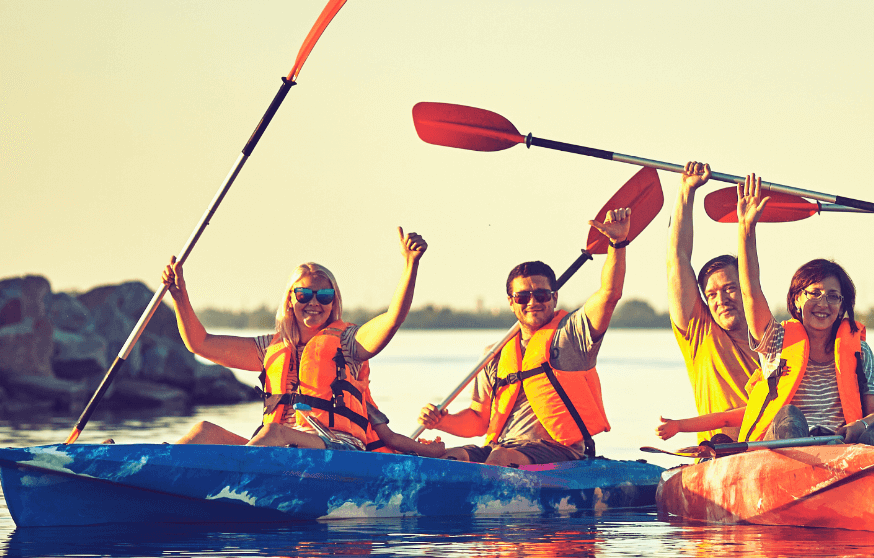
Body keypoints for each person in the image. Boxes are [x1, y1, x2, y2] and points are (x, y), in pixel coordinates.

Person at [167, 228, 442, 455]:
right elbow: (199, 342)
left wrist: (411, 265)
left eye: (323, 295)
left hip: (338, 450)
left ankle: (234, 478)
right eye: (304, 294)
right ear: (290, 299)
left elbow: (393, 319)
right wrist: (180, 297)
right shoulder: (269, 348)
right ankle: (150, 468)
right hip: (280, 450)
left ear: (333, 301)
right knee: (204, 431)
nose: (313, 302)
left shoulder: (348, 342)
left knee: (274, 433)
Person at [417, 209, 632, 467]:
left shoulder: (571, 336)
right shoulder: (494, 353)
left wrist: (617, 244)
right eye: (522, 297)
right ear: (511, 302)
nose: (533, 302)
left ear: (554, 297)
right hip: (503, 448)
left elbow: (609, 295)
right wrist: (442, 422)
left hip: (561, 452)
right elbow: (478, 420)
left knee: (499, 457)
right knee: (445, 457)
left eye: (541, 295)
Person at [730, 175, 874, 446]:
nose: (823, 303)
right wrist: (746, 229)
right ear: (797, 299)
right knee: (789, 415)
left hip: (841, 450)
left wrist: (862, 424)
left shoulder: (861, 352)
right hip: (783, 449)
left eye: (833, 297)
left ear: (843, 306)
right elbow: (750, 289)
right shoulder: (775, 340)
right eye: (813, 293)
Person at [666, 161, 761, 441]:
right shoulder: (701, 333)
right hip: (719, 456)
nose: (721, 300)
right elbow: (678, 259)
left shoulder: (775, 339)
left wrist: (748, 227)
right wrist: (686, 192)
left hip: (772, 451)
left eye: (730, 289)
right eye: (711, 294)